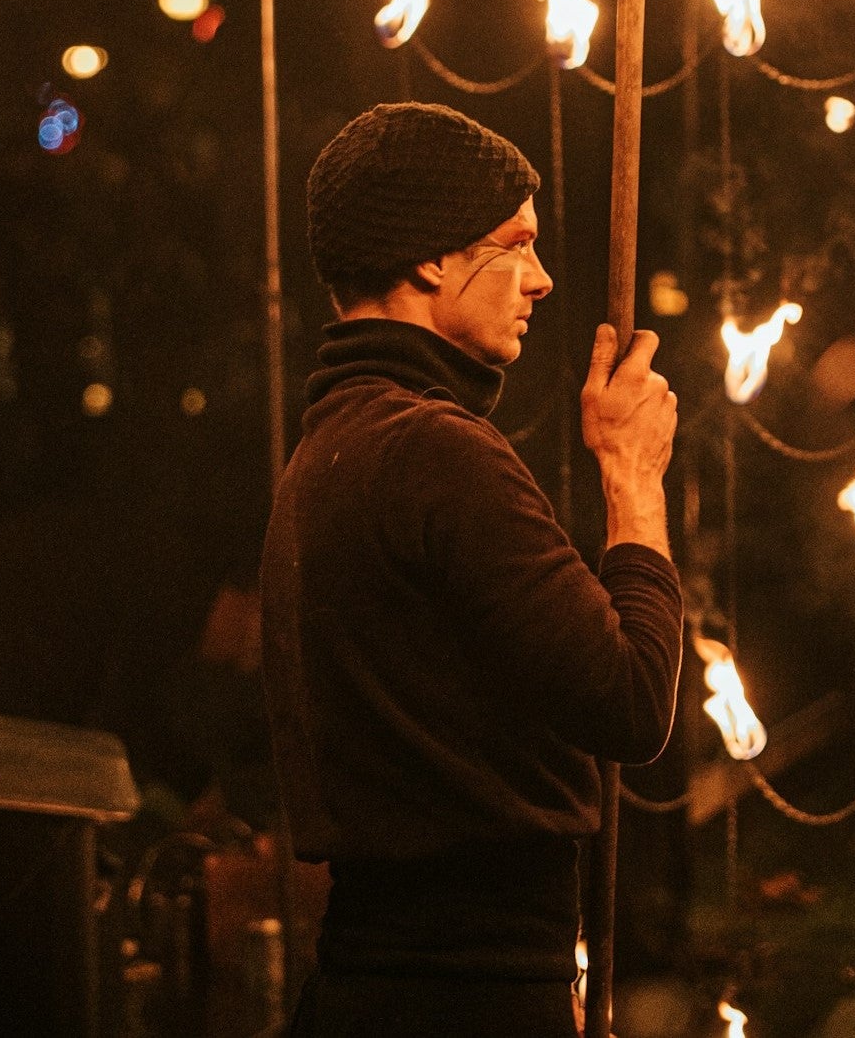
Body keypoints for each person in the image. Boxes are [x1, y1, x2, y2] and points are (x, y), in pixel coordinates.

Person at [262, 102, 683, 1038]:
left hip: (374, 985)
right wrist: (632, 477)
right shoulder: (434, 451)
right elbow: (628, 698)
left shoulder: (327, 450)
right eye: (515, 244)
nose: (537, 279)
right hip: (464, 1001)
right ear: (429, 257)